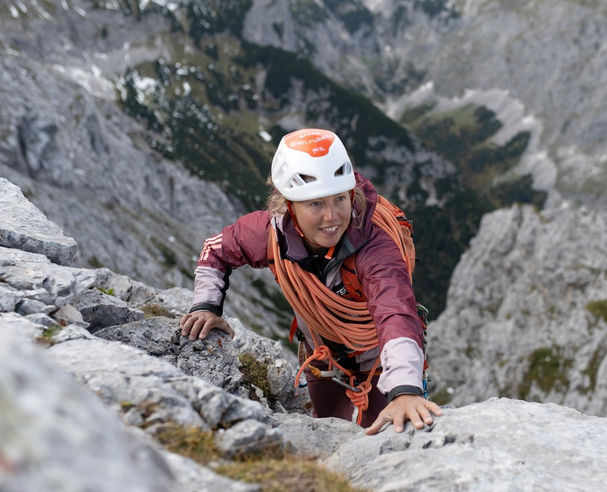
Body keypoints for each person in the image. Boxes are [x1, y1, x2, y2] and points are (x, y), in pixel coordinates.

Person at [179, 128, 442, 435]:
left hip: (379, 364)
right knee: (323, 429)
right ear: (288, 205)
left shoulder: (374, 246)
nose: (332, 217)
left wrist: (405, 389)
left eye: (339, 199)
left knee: (386, 436)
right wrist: (206, 306)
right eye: (315, 204)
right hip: (321, 357)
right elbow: (216, 250)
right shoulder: (270, 234)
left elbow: (394, 310)